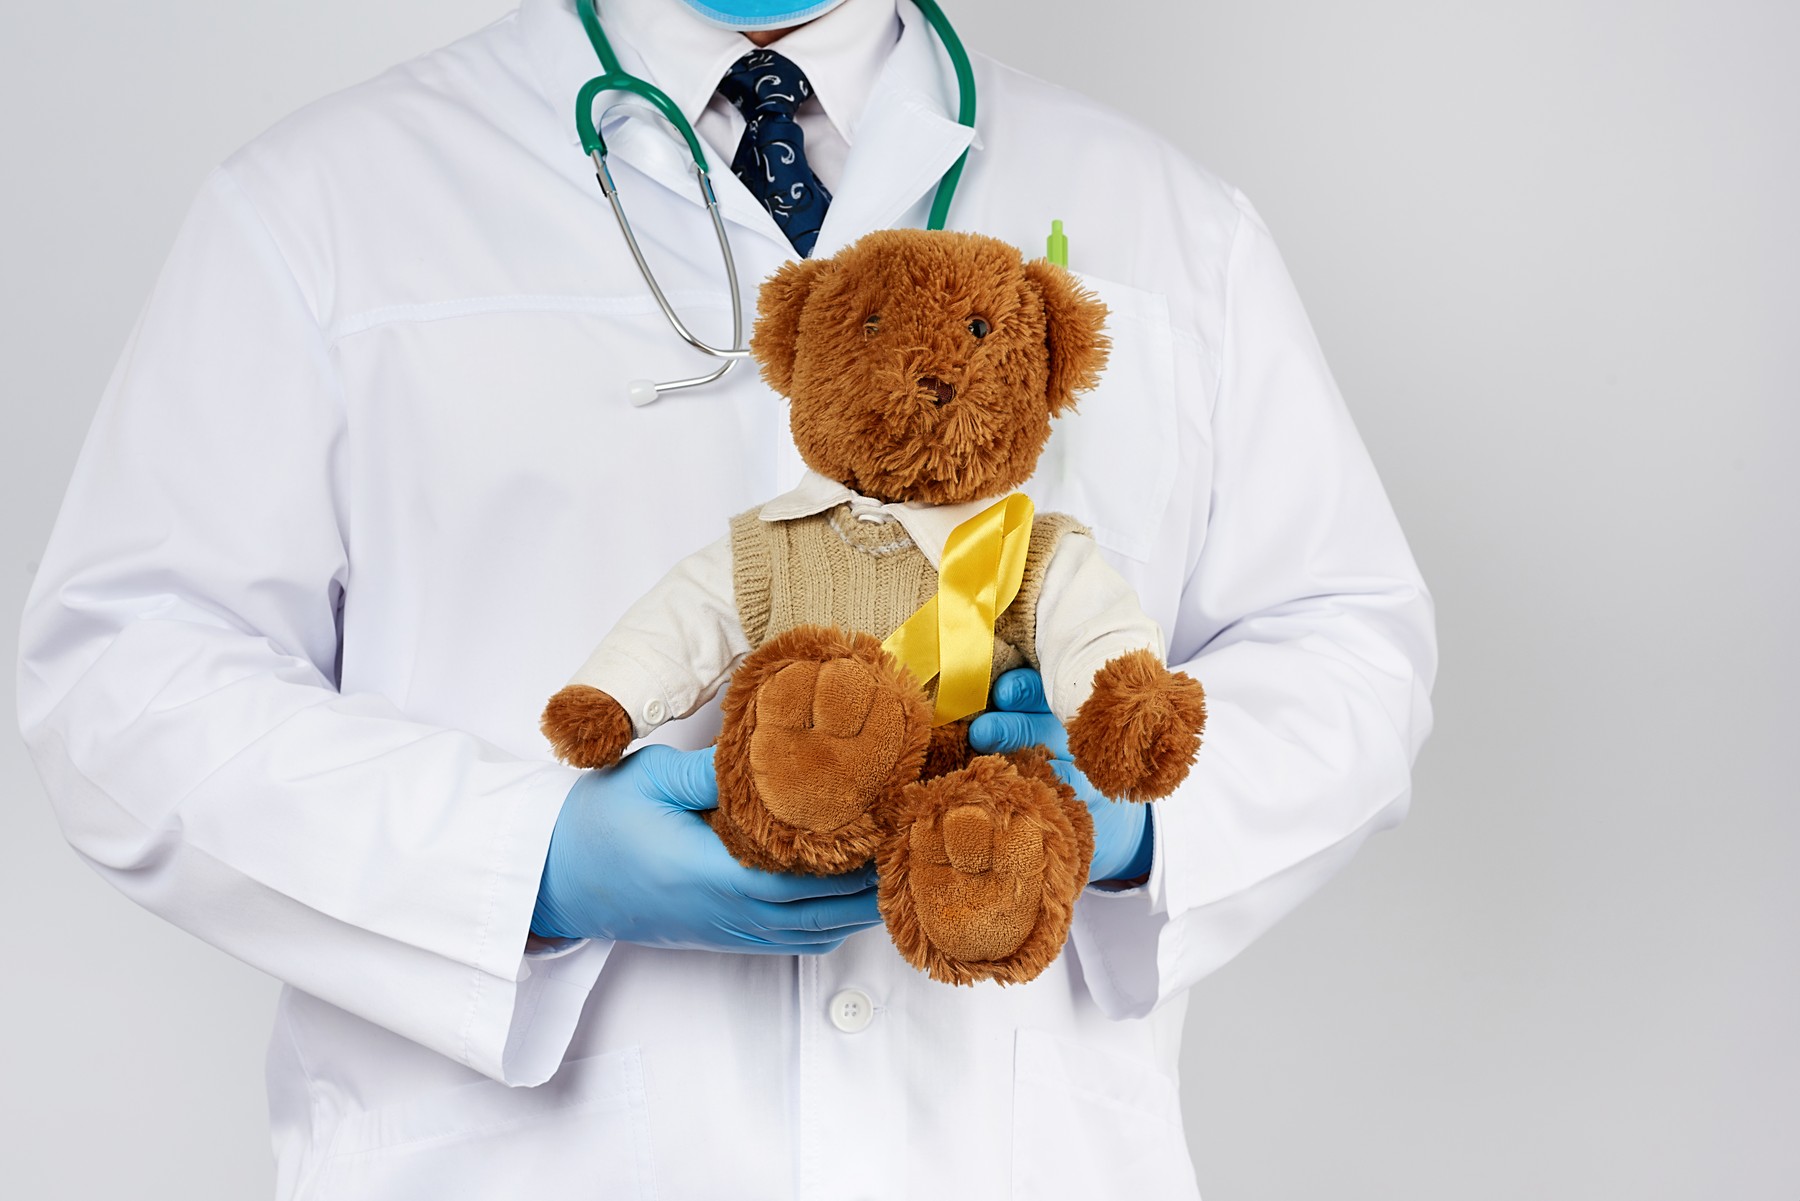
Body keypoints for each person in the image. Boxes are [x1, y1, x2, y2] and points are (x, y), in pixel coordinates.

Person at [15, 0, 1436, 1195]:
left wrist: (1134, 823)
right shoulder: (328, 206)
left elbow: (1351, 647)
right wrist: (527, 860)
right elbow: (122, 676)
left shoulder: (1171, 225)